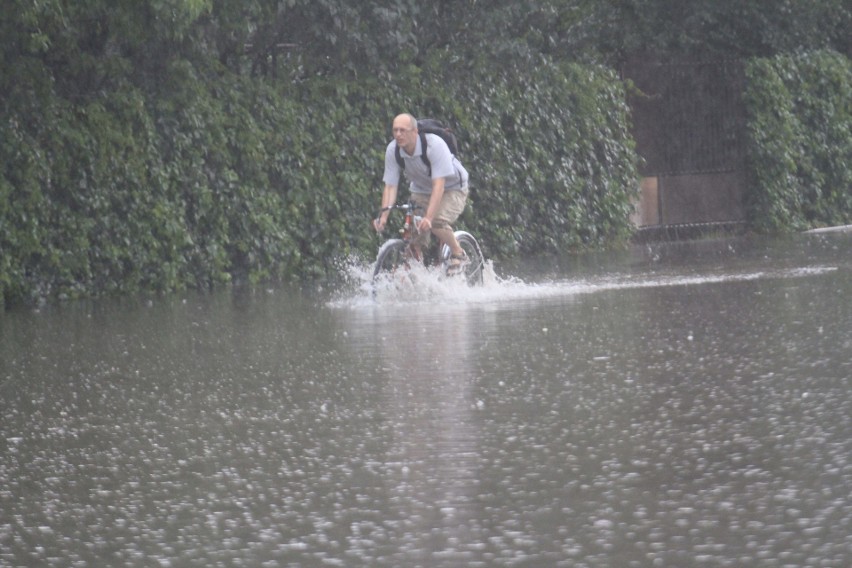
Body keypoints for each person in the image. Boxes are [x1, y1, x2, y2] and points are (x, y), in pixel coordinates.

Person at [373, 113, 470, 272]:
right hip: (420, 189)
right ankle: (416, 272)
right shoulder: (393, 150)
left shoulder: (434, 145)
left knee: (436, 223)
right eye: (395, 130)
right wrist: (383, 216)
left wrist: (429, 218)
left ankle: (458, 252)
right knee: (413, 233)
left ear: (415, 131)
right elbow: (390, 186)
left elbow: (439, 185)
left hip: (452, 188)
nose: (398, 134)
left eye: (403, 130)